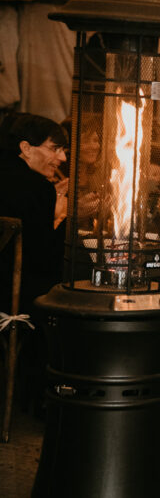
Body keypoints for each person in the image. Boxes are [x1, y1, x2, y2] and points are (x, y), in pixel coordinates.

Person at [0, 113, 68, 414]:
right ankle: (45, 399)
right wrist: (61, 217)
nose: (62, 157)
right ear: (26, 148)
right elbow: (43, 258)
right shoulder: (36, 187)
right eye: (55, 148)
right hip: (12, 293)